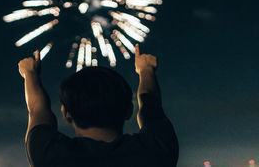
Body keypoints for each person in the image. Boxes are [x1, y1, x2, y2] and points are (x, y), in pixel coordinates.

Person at [18, 44, 179, 167]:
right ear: (129, 111)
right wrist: (146, 70)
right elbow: (151, 107)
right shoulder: (157, 151)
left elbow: (37, 110)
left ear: (66, 113)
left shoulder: (50, 156)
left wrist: (30, 74)